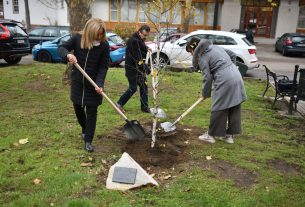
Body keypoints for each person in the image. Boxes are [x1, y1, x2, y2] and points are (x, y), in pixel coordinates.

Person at [58, 18, 109, 152]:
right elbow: (62, 48)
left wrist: (99, 84)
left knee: (92, 112)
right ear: (90, 32)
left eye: (101, 34)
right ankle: (85, 129)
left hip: (93, 86)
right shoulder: (77, 39)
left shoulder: (104, 45)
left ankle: (88, 140)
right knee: (78, 108)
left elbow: (103, 67)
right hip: (78, 83)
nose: (100, 37)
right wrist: (68, 55)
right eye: (97, 34)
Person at [186, 37, 247, 144]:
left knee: (218, 107)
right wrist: (229, 68)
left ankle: (211, 135)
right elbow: (232, 55)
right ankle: (229, 136)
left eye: (191, 52)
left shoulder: (203, 57)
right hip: (236, 75)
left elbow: (207, 77)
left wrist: (205, 93)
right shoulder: (216, 47)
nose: (192, 55)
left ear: (194, 49)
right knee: (233, 105)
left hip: (225, 79)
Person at [116, 25, 151, 113]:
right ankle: (119, 104)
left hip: (138, 68)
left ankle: (144, 107)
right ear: (140, 32)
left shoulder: (139, 39)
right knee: (133, 87)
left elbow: (141, 48)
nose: (145, 37)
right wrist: (145, 67)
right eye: (144, 35)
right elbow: (137, 57)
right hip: (132, 68)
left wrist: (147, 48)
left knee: (144, 85)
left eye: (147, 35)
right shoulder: (133, 41)